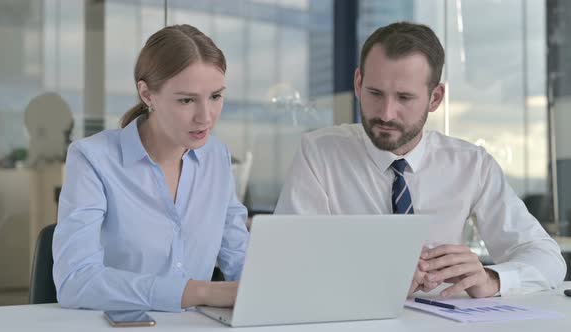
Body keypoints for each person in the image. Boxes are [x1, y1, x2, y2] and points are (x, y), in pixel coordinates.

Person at [275, 22, 566, 298]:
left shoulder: (471, 165)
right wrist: (374, 279)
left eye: (404, 98)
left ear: (435, 98)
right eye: (375, 93)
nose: (386, 113)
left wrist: (493, 279)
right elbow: (285, 264)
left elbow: (547, 259)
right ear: (357, 83)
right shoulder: (319, 154)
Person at [53, 24, 248, 312]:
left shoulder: (216, 156)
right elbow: (75, 282)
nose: (205, 117)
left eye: (216, 97)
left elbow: (239, 255)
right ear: (147, 94)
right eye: (186, 100)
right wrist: (198, 291)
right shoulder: (93, 158)